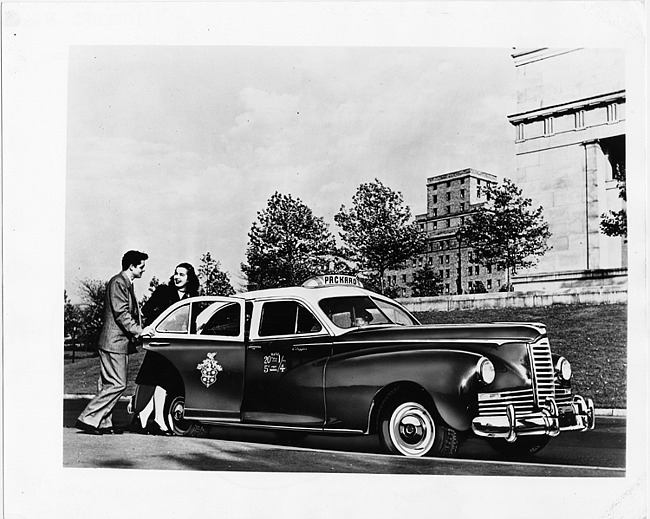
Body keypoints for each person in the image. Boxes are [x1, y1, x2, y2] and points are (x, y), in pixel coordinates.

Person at [76, 250, 152, 435]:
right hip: (114, 342)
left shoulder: (125, 283)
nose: (143, 270)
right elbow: (121, 314)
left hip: (115, 342)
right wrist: (141, 331)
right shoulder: (119, 282)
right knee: (118, 384)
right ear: (132, 266)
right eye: (141, 266)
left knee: (108, 383)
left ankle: (103, 423)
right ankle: (88, 418)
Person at [129, 262, 200, 435]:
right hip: (159, 341)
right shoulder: (164, 291)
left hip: (176, 345)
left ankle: (153, 418)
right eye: (176, 273)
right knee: (152, 379)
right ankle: (147, 418)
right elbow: (146, 310)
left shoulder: (193, 298)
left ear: (189, 278)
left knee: (164, 381)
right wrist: (160, 324)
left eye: (182, 274)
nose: (177, 277)